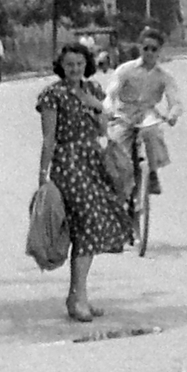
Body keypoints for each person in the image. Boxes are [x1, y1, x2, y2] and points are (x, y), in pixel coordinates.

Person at [36, 42, 131, 323]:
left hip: (92, 160)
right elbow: (49, 138)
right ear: (61, 66)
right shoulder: (51, 96)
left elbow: (103, 129)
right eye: (69, 64)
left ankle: (78, 296)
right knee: (87, 223)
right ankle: (78, 298)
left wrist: (95, 108)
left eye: (79, 64)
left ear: (86, 64)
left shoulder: (93, 91)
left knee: (89, 228)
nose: (75, 69)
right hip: (68, 162)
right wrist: (43, 174)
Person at [104, 27, 183, 199]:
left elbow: (175, 101)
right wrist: (108, 107)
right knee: (115, 142)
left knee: (151, 130)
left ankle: (153, 174)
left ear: (159, 51)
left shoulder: (164, 76)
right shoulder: (126, 69)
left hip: (147, 114)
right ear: (139, 48)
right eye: (145, 48)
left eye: (153, 49)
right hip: (125, 114)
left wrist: (172, 115)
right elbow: (111, 92)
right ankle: (115, 181)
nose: (149, 52)